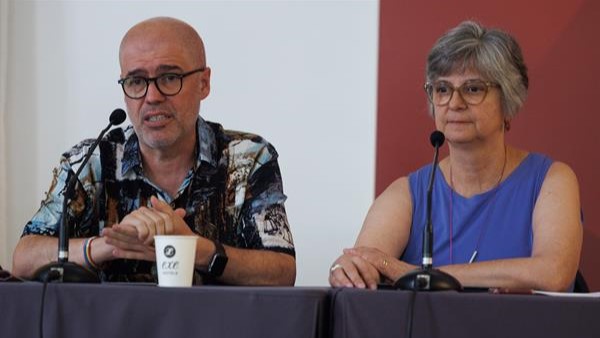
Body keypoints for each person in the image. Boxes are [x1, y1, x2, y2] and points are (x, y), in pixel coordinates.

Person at [12, 17, 295, 285]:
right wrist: (106, 246)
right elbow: (24, 259)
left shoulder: (246, 158)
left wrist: (198, 251)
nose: (152, 96)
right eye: (136, 81)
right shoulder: (90, 162)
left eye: (169, 77)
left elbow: (282, 272)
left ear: (203, 83)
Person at [329, 21, 582, 292]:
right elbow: (365, 265)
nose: (454, 103)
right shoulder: (408, 193)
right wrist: (347, 270)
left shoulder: (550, 180)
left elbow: (554, 273)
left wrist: (416, 274)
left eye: (473, 89)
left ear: (508, 100)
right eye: (442, 89)